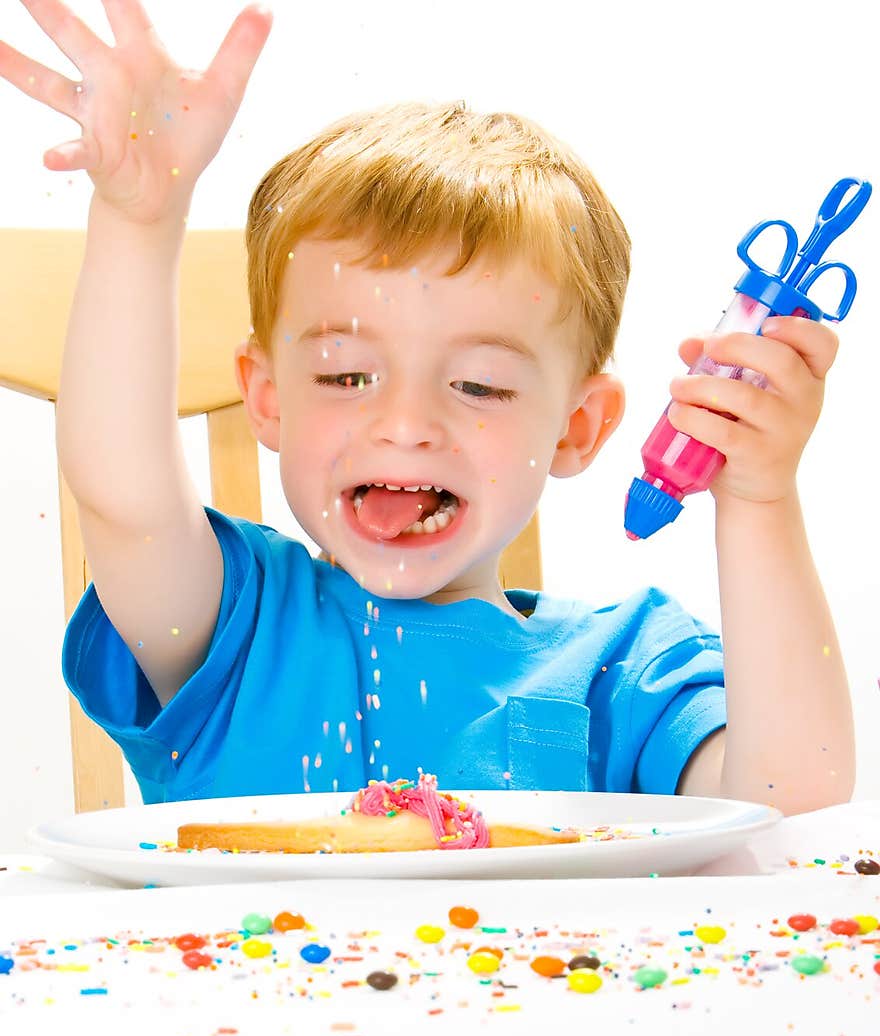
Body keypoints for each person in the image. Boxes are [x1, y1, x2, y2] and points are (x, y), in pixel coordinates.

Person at [0, 0, 855, 815]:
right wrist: (141, 221)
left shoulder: (623, 671)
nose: (405, 423)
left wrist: (758, 503)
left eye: (478, 385)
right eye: (345, 376)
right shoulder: (237, 628)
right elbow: (121, 495)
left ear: (578, 425)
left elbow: (793, 806)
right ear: (268, 398)